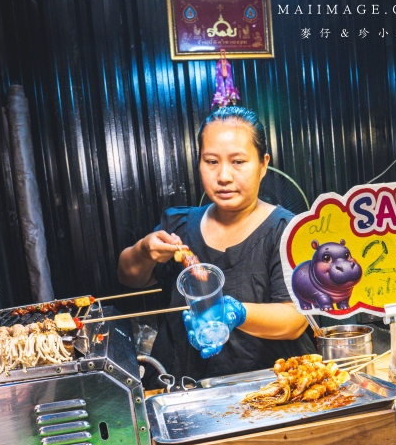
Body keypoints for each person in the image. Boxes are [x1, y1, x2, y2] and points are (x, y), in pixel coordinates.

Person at [117, 106, 312, 379]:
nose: (223, 177)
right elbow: (129, 276)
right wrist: (144, 250)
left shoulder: (287, 231)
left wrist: (237, 313)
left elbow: (295, 320)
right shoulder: (179, 225)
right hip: (187, 384)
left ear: (263, 164)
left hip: (272, 386)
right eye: (211, 161)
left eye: (238, 162)